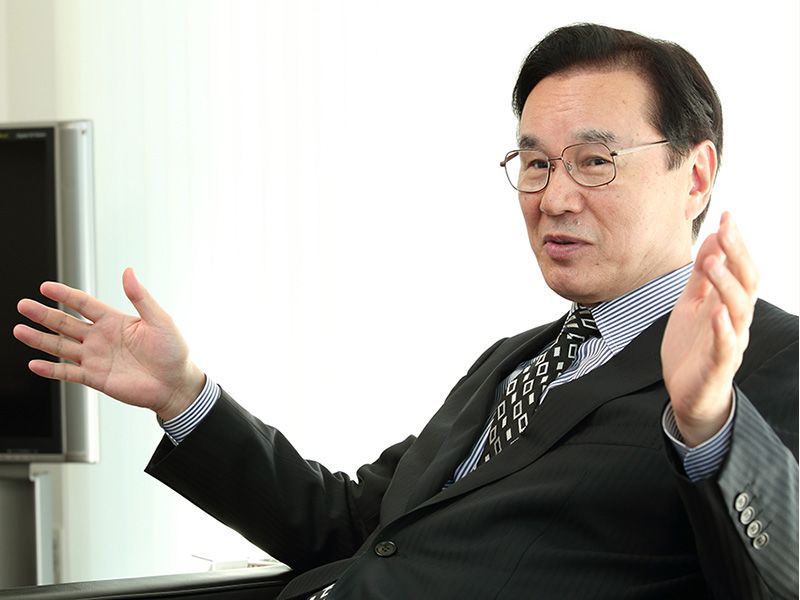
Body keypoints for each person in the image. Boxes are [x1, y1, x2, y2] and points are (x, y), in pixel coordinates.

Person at [13, 23, 798, 600]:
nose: (554, 196)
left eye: (595, 160)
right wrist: (185, 396)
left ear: (696, 176)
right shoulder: (513, 360)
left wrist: (707, 422)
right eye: (534, 163)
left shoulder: (767, 359)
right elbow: (357, 526)